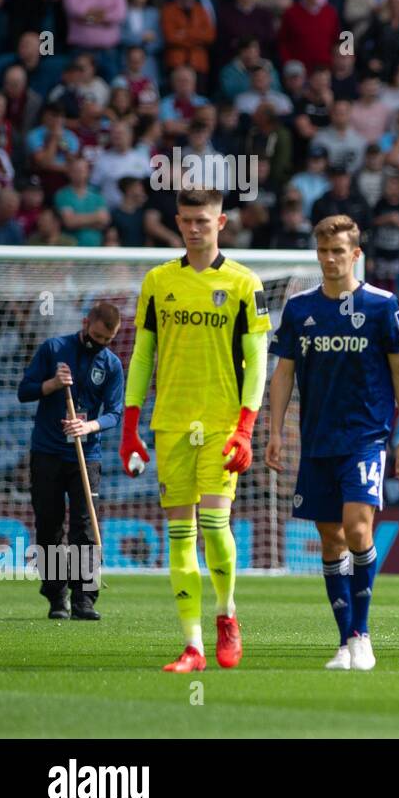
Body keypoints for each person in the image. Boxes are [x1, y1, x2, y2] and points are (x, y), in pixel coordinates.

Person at [118, 187, 272, 671]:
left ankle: (227, 615)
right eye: (186, 220)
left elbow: (257, 359)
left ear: (221, 223)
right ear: (179, 222)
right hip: (170, 423)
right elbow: (143, 354)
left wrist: (247, 427)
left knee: (214, 525)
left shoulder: (245, 283)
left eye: (203, 220)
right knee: (179, 537)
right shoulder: (158, 281)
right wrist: (129, 424)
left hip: (222, 422)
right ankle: (193, 645)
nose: (194, 228)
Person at [265, 216, 399, 670]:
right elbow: (284, 372)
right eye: (323, 251)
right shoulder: (299, 309)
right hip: (316, 441)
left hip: (366, 438)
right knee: (330, 541)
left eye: (339, 252)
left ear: (356, 255)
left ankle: (362, 635)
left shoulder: (381, 305)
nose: (330, 260)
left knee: (356, 529)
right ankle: (344, 640)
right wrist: (274, 430)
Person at [17, 302, 123, 620]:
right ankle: (56, 597)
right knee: (49, 525)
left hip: (85, 456)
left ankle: (84, 599)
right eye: (98, 336)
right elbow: (24, 391)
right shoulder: (54, 348)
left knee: (84, 527)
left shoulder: (112, 364)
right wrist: (51, 384)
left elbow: (115, 412)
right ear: (86, 322)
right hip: (47, 453)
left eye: (108, 339)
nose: (102, 343)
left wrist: (88, 426)